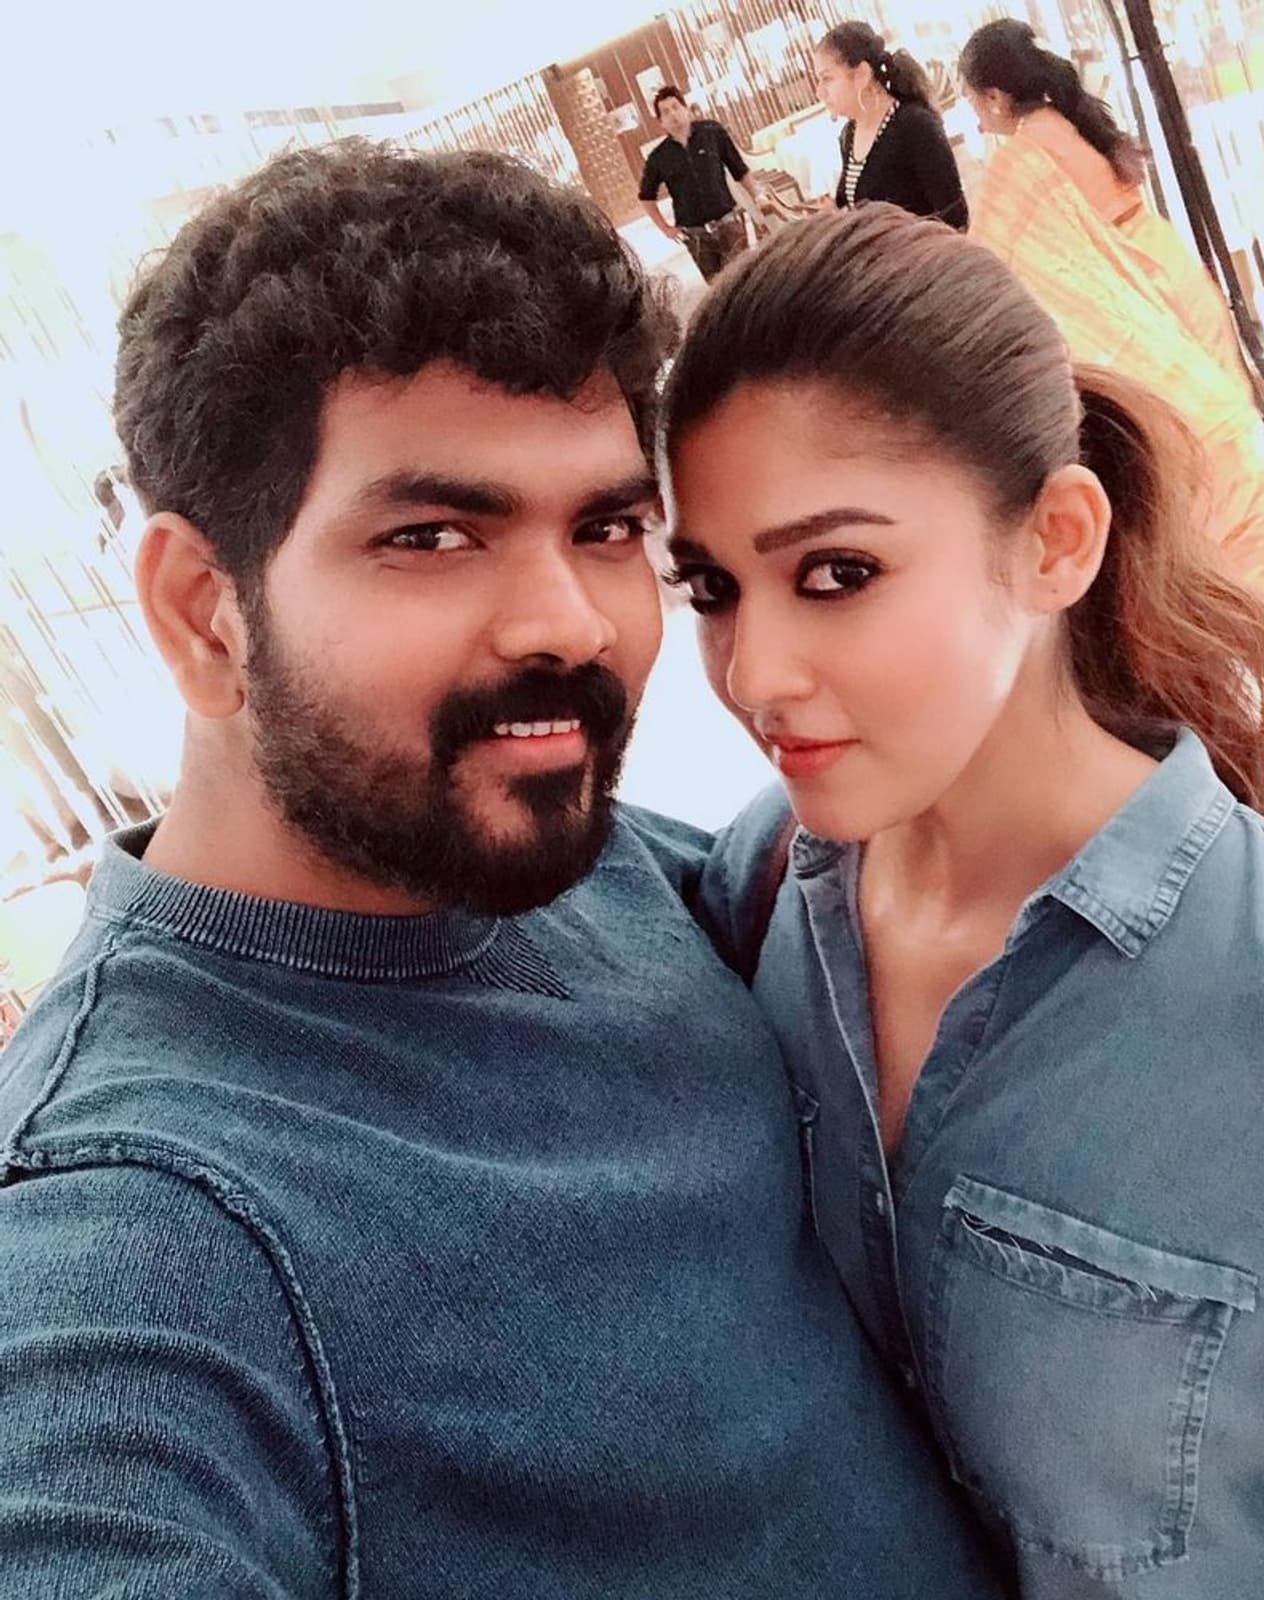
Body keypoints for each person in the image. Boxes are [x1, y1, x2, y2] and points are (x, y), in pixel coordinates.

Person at [0, 147, 1005, 1599]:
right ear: (203, 612)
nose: (570, 623)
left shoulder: (561, 862)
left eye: (605, 529)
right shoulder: (145, 1221)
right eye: (430, 536)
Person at [660, 202, 1264, 1598]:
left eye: (837, 574)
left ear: (1055, 540)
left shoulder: (1254, 1002)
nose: (755, 674)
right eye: (712, 587)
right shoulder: (757, 895)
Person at [960, 18, 1264, 599]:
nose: (976, 116)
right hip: (1166, 271)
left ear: (996, 96)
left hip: (1131, 287)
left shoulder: (1024, 156)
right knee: (1218, 442)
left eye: (973, 100)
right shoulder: (1073, 119)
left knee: (1186, 459)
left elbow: (994, 257)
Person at [812, 22, 967, 227]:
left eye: (827, 79)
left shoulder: (915, 125)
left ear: (861, 75)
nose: (820, 92)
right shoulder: (849, 135)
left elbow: (954, 216)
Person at [638, 86, 768, 281]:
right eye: (665, 112)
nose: (673, 114)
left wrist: (758, 196)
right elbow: (646, 197)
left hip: (728, 223)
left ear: (686, 108)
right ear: (661, 122)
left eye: (675, 107)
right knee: (717, 288)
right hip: (696, 236)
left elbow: (739, 169)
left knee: (747, 278)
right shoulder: (659, 157)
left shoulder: (712, 132)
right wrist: (665, 228)